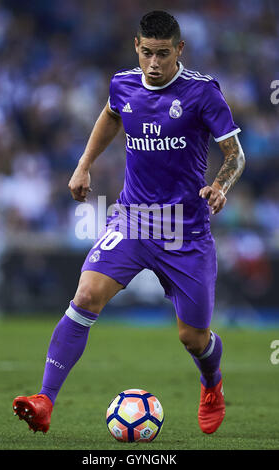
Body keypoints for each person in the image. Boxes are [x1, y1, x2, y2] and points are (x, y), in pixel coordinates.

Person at [13, 10, 245, 435]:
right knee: (85, 296)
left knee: (193, 338)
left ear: (179, 50)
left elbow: (235, 154)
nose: (153, 64)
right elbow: (111, 115)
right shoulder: (123, 83)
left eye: (162, 54)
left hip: (185, 230)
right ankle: (44, 400)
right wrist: (84, 165)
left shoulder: (202, 94)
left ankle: (211, 382)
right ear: (136, 49)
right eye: (146, 54)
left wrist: (220, 186)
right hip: (133, 219)